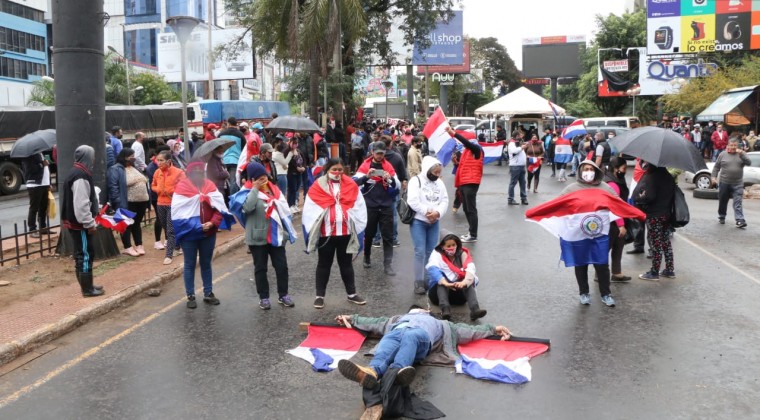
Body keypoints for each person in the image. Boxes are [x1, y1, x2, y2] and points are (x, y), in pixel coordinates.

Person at [335, 306, 512, 389]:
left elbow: (468, 330)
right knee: (387, 342)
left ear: (427, 312)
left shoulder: (440, 323)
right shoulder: (397, 319)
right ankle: (371, 373)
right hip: (396, 333)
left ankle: (397, 372)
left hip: (421, 337)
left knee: (411, 337)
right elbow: (374, 322)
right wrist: (352, 318)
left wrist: (492, 329)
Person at [303, 159, 368, 309]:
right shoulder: (318, 185)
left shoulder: (351, 184)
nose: (338, 172)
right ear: (327, 169)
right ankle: (319, 296)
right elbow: (310, 206)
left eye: (340, 169)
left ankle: (352, 294)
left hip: (345, 232)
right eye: (334, 169)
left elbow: (358, 205)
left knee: (346, 264)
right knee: (324, 264)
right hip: (326, 233)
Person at [172, 162, 230, 309]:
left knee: (206, 263)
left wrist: (212, 223)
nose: (198, 176)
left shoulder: (210, 186)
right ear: (189, 174)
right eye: (195, 174)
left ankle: (208, 292)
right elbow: (178, 215)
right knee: (189, 264)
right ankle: (190, 295)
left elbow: (219, 209)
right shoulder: (181, 188)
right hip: (189, 234)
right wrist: (197, 227)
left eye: (200, 174)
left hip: (208, 233)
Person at [561, 160, 618, 307]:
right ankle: (584, 293)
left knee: (602, 264)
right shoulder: (571, 189)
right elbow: (558, 205)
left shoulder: (605, 188)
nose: (588, 172)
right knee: (581, 263)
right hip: (579, 235)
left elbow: (618, 204)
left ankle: (606, 294)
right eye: (585, 169)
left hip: (599, 234)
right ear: (580, 171)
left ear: (597, 171)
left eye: (591, 169)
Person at [243, 162, 295, 310]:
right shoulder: (246, 191)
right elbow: (247, 208)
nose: (263, 180)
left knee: (281, 267)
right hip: (257, 238)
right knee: (261, 268)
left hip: (276, 236)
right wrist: (255, 189)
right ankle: (264, 298)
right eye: (259, 178)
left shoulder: (274, 190)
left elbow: (284, 211)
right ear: (252, 179)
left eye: (264, 176)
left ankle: (283, 295)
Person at [60, 145, 104, 297]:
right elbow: (81, 204)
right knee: (85, 255)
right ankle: (87, 289)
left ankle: (88, 285)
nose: (94, 159)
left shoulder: (76, 171)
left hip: (76, 222)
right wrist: (89, 223)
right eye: (92, 156)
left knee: (82, 254)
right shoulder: (80, 175)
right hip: (80, 225)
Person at [354, 141, 400, 276]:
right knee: (369, 234)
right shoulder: (365, 165)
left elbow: (396, 186)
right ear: (372, 152)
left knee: (388, 236)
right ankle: (366, 257)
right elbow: (354, 183)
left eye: (382, 153)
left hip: (386, 205)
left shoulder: (388, 166)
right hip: (370, 205)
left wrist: (389, 178)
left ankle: (388, 264)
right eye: (378, 153)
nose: (380, 156)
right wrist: (367, 177)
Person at [408, 156, 448, 295]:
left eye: (439, 173)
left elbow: (444, 200)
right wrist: (427, 212)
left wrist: (437, 213)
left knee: (431, 252)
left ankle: (428, 279)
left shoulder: (440, 183)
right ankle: (418, 281)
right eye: (435, 172)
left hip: (434, 222)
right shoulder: (416, 180)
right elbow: (412, 201)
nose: (437, 175)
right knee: (419, 251)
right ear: (428, 170)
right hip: (419, 221)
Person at [426, 234, 486, 320]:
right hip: (437, 296)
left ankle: (475, 310)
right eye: (448, 246)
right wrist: (445, 283)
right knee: (441, 281)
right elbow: (433, 269)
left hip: (458, 294)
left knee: (469, 280)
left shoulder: (463, 254)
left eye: (453, 245)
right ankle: (445, 310)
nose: (451, 247)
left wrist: (464, 283)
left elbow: (470, 269)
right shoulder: (436, 255)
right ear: (442, 246)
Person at [633, 161, 676, 281]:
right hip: (666, 214)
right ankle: (669, 269)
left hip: (654, 215)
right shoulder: (668, 176)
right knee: (665, 242)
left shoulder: (652, 177)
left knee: (656, 243)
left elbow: (649, 197)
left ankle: (654, 272)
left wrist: (641, 197)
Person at [108, 148, 148, 257]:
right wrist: (118, 202)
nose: (133, 158)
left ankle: (139, 245)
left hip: (141, 202)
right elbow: (113, 187)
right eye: (131, 156)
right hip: (127, 202)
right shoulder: (116, 169)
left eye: (134, 155)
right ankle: (127, 247)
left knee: (136, 224)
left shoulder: (134, 168)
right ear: (124, 157)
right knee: (126, 225)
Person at [151, 150, 186, 265]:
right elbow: (153, 185)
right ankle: (177, 246)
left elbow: (184, 186)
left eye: (161, 160)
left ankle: (169, 255)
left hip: (173, 203)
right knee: (166, 227)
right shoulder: (157, 172)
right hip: (160, 203)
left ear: (169, 161)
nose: (159, 163)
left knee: (170, 229)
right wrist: (158, 190)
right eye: (158, 160)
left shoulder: (178, 172)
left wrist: (171, 190)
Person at [449, 127, 483, 243]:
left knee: (471, 209)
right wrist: (456, 163)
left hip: (471, 182)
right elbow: (464, 166)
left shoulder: (476, 149)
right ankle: (471, 232)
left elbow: (466, 142)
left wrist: (453, 134)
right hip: (464, 181)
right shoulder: (467, 152)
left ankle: (473, 235)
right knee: (466, 208)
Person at [603, 157, 631, 282]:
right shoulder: (612, 184)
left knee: (618, 246)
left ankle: (616, 272)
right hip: (612, 221)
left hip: (617, 219)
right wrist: (621, 224)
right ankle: (600, 274)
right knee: (607, 247)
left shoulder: (617, 179)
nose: (625, 171)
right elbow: (614, 206)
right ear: (615, 169)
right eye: (624, 168)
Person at [712, 139, 750, 228]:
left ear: (737, 146)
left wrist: (742, 155)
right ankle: (722, 216)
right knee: (723, 201)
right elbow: (716, 167)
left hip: (738, 183)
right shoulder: (722, 154)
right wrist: (713, 178)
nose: (733, 147)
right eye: (731, 145)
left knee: (738, 202)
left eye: (735, 146)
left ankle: (740, 220)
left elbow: (749, 162)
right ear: (728, 146)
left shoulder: (742, 154)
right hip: (724, 182)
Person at [22, 152, 51, 238]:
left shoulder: (40, 153)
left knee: (43, 207)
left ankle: (42, 227)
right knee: (34, 207)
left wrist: (48, 183)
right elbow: (29, 169)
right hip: (34, 185)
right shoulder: (28, 155)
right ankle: (32, 229)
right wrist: (43, 164)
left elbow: (45, 170)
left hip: (43, 183)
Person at [146, 145, 169, 250]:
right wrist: (160, 189)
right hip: (157, 197)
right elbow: (153, 183)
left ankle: (168, 239)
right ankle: (157, 240)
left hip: (169, 196)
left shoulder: (170, 164)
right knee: (160, 218)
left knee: (168, 218)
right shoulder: (152, 167)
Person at [219, 117, 246, 194]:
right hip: (236, 161)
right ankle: (232, 200)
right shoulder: (240, 135)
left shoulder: (221, 134)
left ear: (228, 123)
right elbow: (244, 150)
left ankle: (224, 200)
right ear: (236, 124)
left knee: (223, 182)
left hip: (223, 161)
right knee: (233, 181)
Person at [507, 130, 529, 205]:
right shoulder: (511, 143)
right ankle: (511, 199)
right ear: (517, 136)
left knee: (523, 183)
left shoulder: (518, 143)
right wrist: (522, 147)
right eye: (520, 135)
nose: (522, 136)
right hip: (515, 166)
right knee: (513, 183)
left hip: (521, 166)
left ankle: (523, 198)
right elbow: (514, 151)